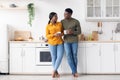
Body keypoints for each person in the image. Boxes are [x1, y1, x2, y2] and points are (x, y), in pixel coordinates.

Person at [61, 8, 81, 77]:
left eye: (66, 14)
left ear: (70, 14)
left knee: (74, 55)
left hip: (74, 41)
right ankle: (75, 71)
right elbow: (60, 32)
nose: (64, 15)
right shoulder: (62, 22)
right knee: (69, 56)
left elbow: (79, 32)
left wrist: (72, 32)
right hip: (66, 41)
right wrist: (65, 32)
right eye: (64, 13)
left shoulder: (76, 21)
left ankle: (74, 72)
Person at [46, 12, 64, 78]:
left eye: (57, 16)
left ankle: (53, 71)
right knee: (54, 57)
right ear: (51, 17)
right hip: (52, 43)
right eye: (55, 16)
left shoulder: (59, 24)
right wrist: (54, 35)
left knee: (60, 56)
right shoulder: (48, 26)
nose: (57, 17)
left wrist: (61, 34)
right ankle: (56, 71)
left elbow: (62, 32)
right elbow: (47, 36)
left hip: (60, 42)